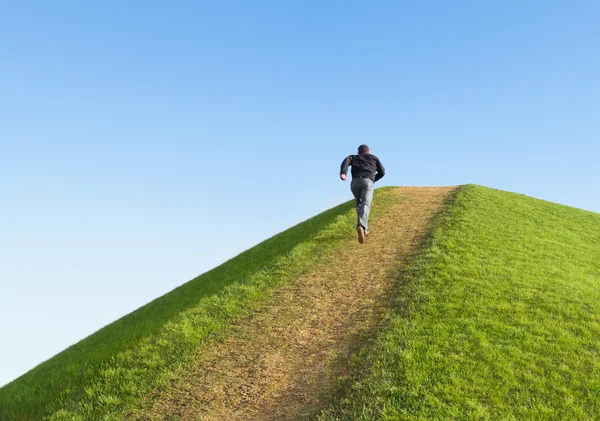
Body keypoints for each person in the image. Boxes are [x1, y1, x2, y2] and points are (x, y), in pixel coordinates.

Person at [340, 145, 386, 244]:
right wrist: (373, 179)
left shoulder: (353, 157)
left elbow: (346, 161)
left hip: (355, 183)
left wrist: (343, 173)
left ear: (358, 152)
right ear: (368, 152)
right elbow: (382, 172)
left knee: (359, 204)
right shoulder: (374, 157)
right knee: (366, 203)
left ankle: (364, 229)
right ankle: (361, 225)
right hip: (367, 182)